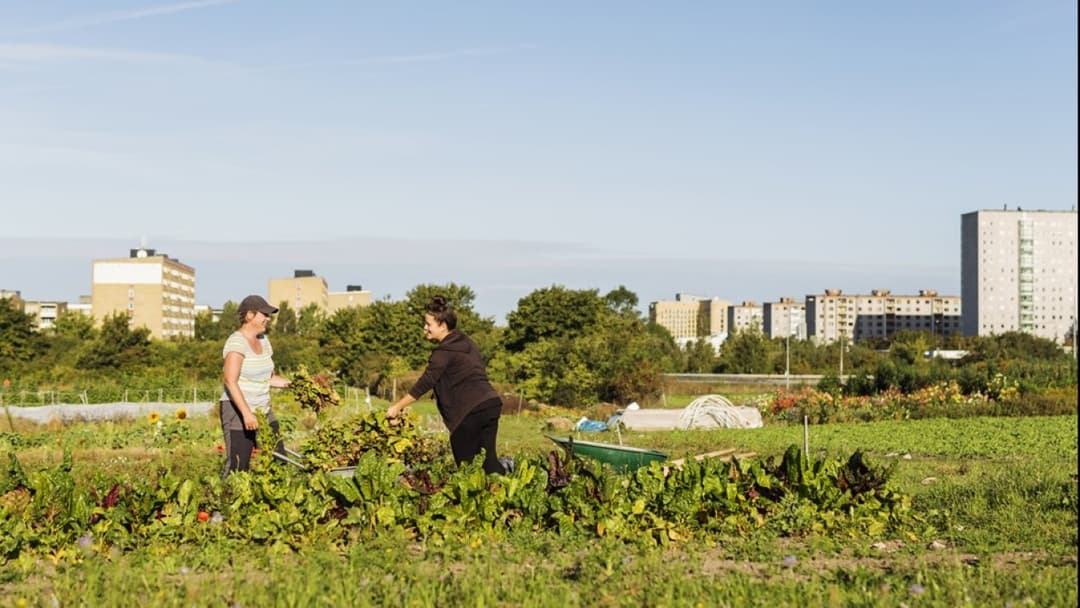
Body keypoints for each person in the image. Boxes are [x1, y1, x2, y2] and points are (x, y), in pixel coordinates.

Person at [387, 296, 506, 474]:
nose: (425, 328)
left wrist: (397, 407)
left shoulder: (443, 353)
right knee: (489, 463)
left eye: (428, 324)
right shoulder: (468, 343)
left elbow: (425, 382)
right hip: (490, 404)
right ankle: (508, 495)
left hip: (469, 412)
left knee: (467, 470)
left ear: (442, 326)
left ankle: (479, 499)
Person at [220, 294, 291, 477]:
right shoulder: (237, 342)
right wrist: (246, 413)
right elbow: (230, 380)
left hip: (263, 409)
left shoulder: (264, 341)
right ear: (249, 315)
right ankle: (223, 503)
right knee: (238, 466)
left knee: (279, 460)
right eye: (264, 314)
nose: (268, 319)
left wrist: (294, 384)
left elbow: (269, 378)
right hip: (237, 411)